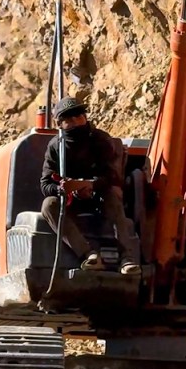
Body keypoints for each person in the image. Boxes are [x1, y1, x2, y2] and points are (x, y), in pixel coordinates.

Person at [39, 97, 141, 275]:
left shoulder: (100, 139)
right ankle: (88, 254)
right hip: (70, 199)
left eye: (79, 117)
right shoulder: (56, 146)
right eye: (69, 120)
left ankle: (127, 258)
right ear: (60, 124)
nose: (76, 122)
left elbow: (112, 176)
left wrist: (90, 185)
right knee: (48, 205)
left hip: (98, 194)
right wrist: (61, 189)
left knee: (113, 197)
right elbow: (45, 183)